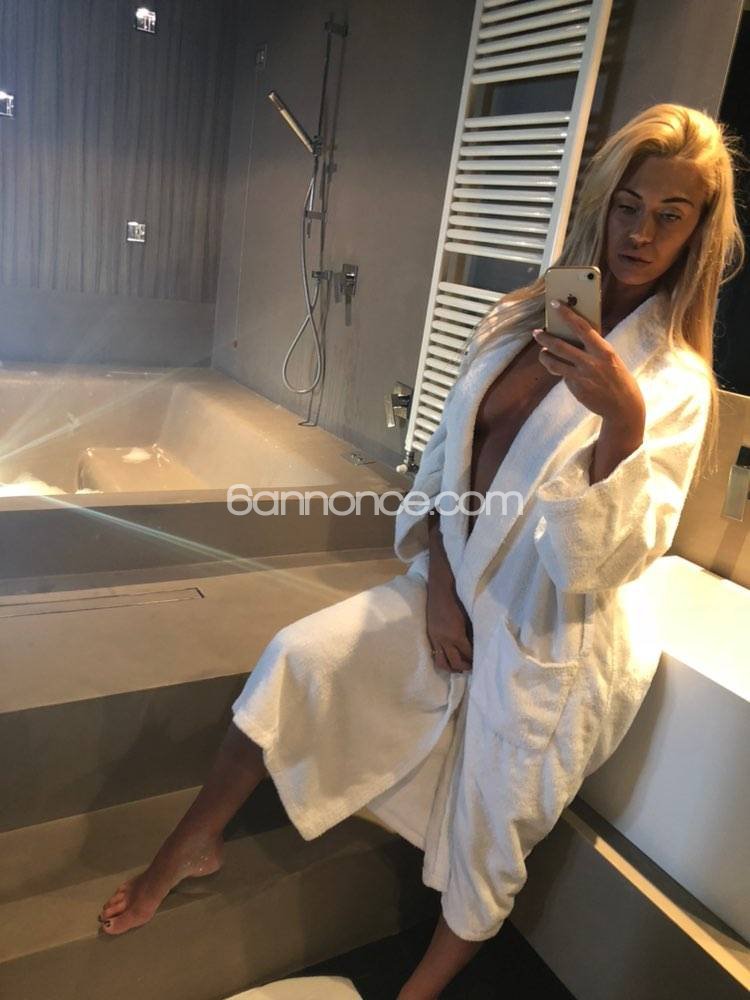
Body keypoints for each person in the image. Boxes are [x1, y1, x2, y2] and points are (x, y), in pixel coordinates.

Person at [98, 103, 743, 1000]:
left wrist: (622, 424)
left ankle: (418, 992)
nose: (641, 233)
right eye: (629, 205)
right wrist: (439, 586)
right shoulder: (525, 316)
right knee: (297, 657)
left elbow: (595, 563)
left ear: (699, 229)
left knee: (491, 839)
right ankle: (190, 843)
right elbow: (447, 460)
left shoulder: (671, 384)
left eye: (671, 215)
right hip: (459, 586)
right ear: (602, 202)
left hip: (552, 641)